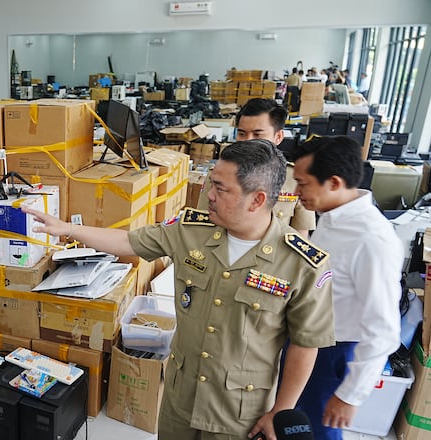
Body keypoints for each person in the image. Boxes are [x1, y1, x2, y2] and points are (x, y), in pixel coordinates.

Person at [24, 139, 335, 440]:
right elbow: (128, 242)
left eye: (221, 189)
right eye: (211, 183)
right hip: (180, 399)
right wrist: (68, 229)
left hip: (239, 415)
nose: (209, 195)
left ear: (257, 199)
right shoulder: (191, 231)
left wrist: (281, 411)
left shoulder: (302, 264)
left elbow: (306, 345)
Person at [291, 135, 402, 440]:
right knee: (296, 427)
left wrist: (350, 395)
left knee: (319, 432)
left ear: (334, 183)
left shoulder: (372, 239)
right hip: (309, 341)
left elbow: (384, 330)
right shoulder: (331, 214)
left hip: (335, 354)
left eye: (303, 183)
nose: (296, 192)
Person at [198, 98, 317, 237]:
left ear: (278, 137)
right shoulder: (218, 175)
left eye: (257, 134)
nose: (248, 141)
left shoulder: (296, 179)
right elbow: (202, 225)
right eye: (242, 134)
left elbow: (300, 235)